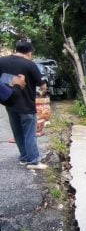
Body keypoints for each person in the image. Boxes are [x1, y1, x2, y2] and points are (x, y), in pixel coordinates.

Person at [0, 38, 48, 170]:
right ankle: (33, 161)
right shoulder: (30, 64)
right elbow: (43, 86)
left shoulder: (1, 61)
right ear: (29, 52)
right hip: (26, 105)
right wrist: (42, 92)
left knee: (18, 132)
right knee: (29, 133)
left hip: (9, 103)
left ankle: (24, 157)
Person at [0, 72, 29, 231]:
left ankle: (25, 155)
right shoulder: (27, 66)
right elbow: (9, 96)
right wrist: (17, 85)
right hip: (24, 108)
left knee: (19, 131)